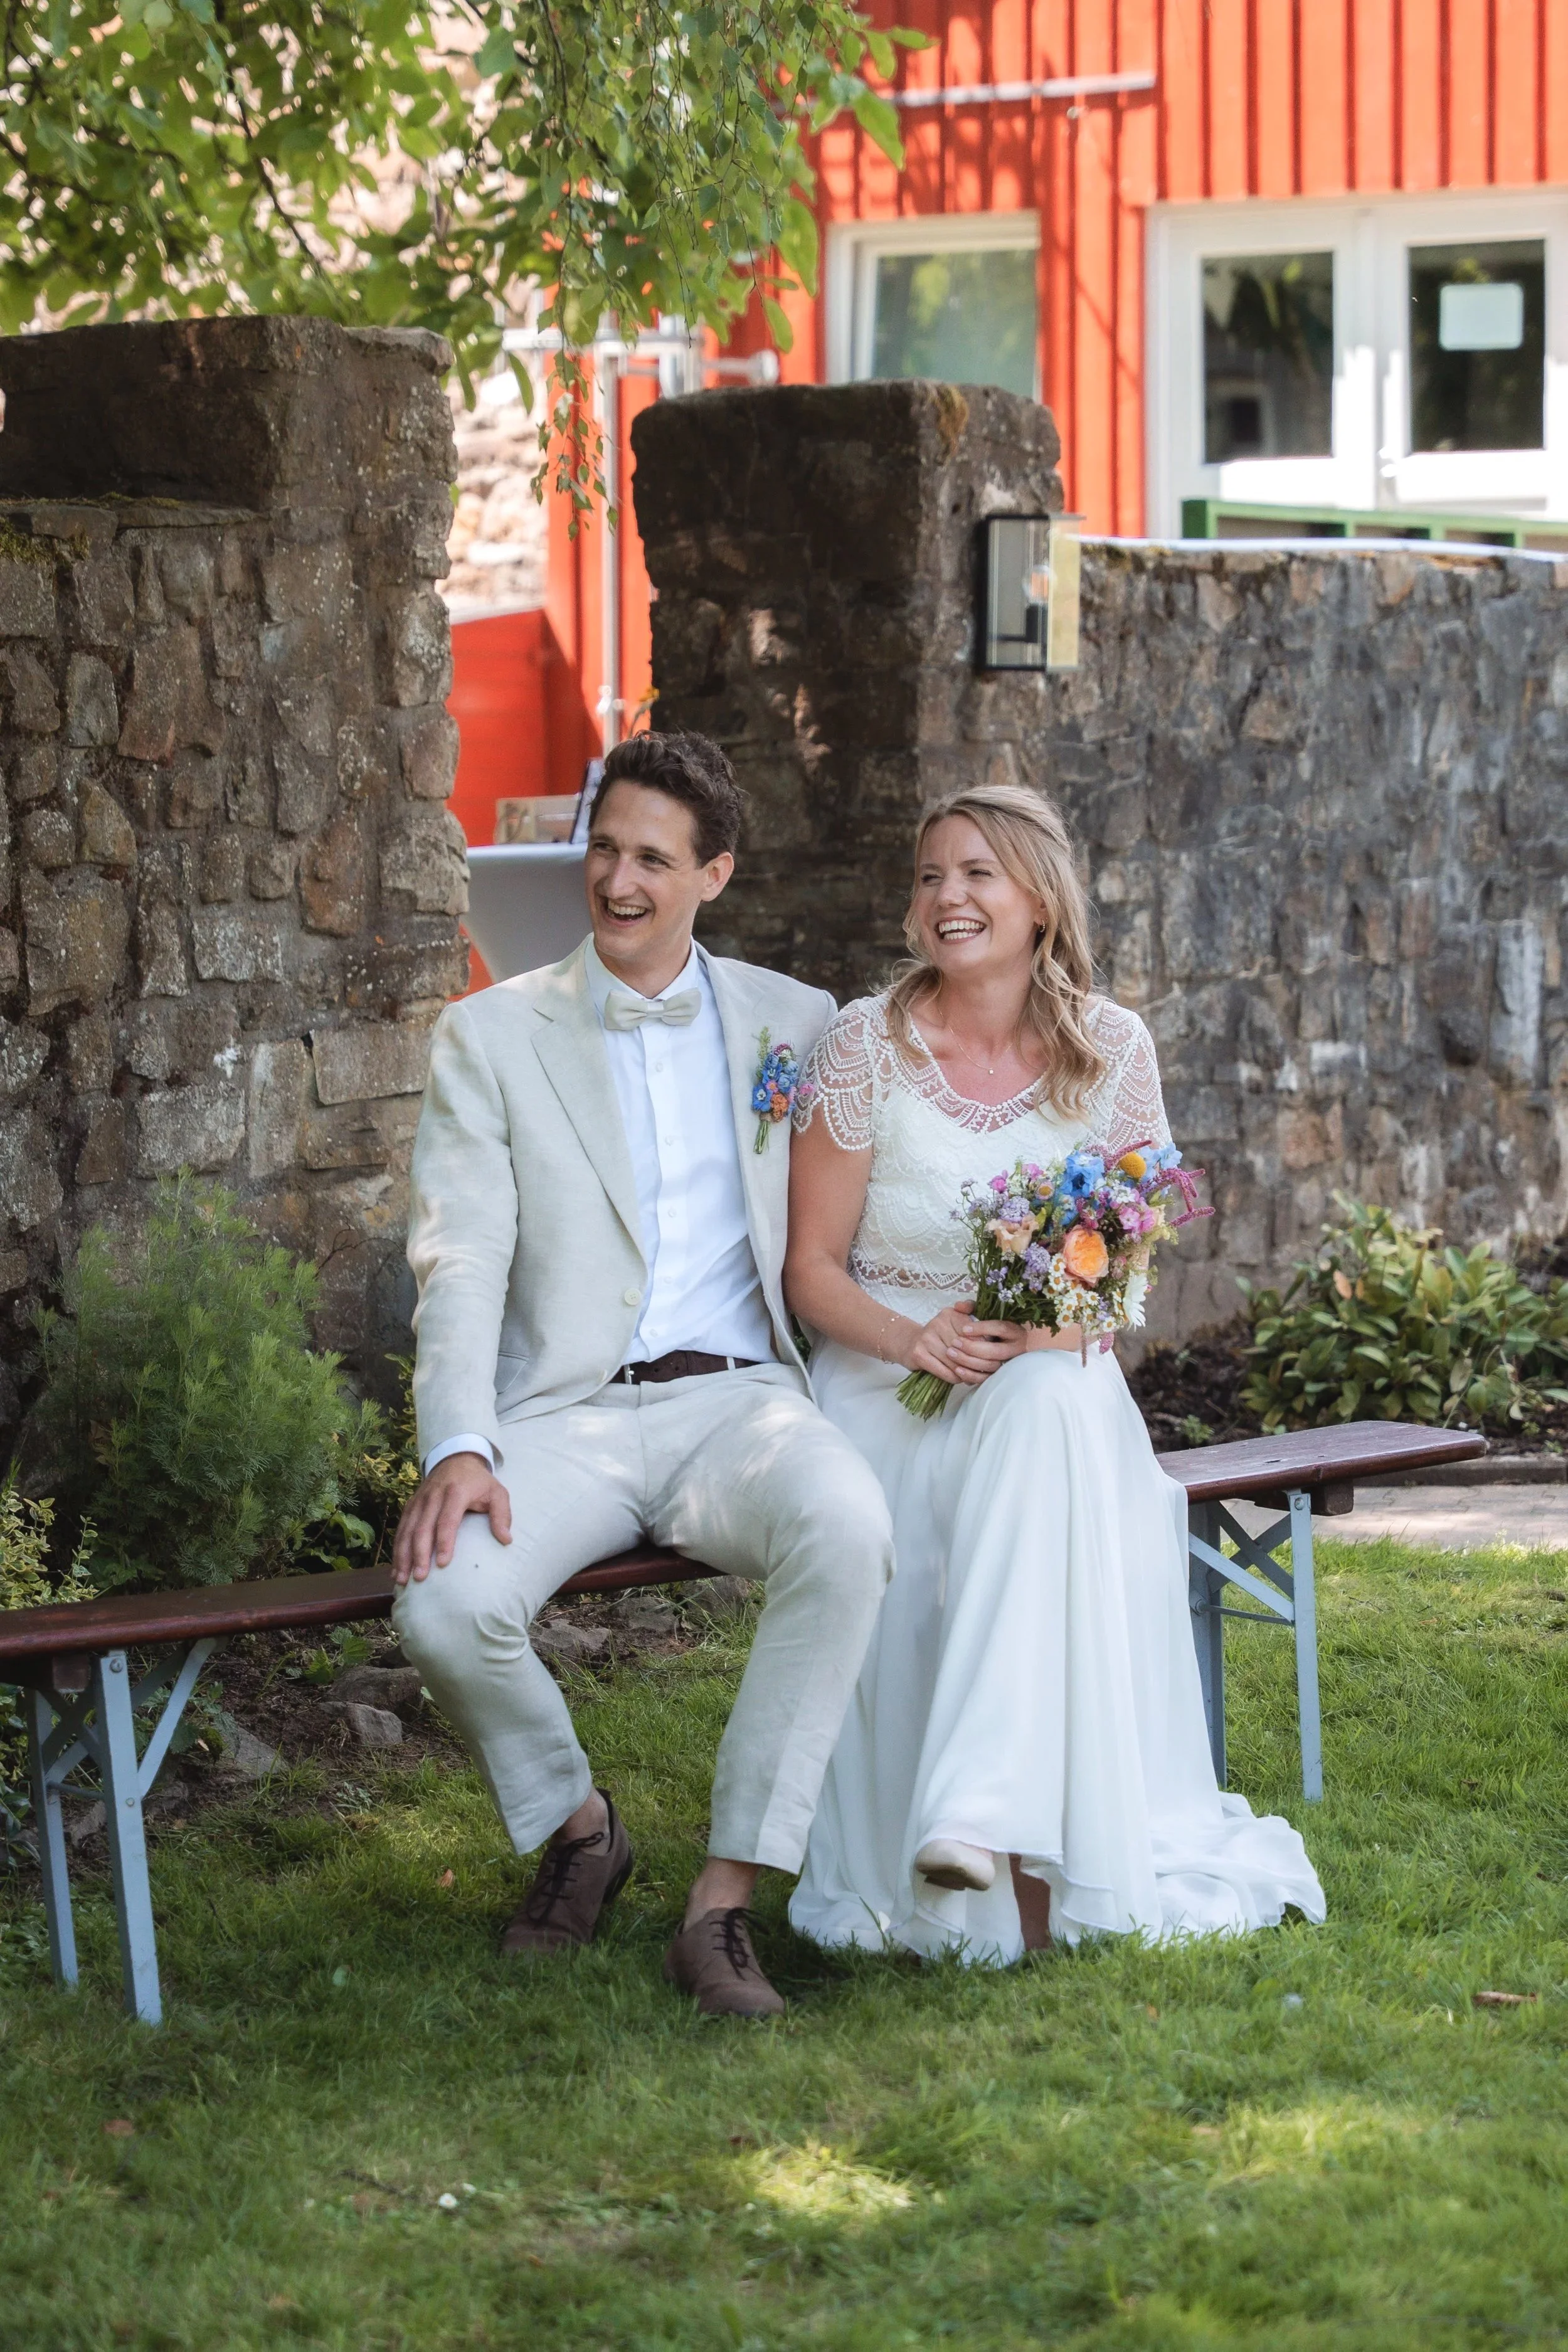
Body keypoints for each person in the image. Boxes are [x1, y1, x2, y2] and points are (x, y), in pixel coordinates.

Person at [391, 730, 895, 2016]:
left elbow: (867, 1209)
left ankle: (720, 1908)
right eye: (602, 849)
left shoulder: (799, 1024)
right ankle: (579, 1831)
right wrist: (458, 1442)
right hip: (562, 1414)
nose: (617, 881)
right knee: (443, 1607)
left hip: (739, 1404)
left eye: (652, 860)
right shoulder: (489, 1037)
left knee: (846, 1529)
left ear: (713, 874)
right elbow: (460, 1254)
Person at [783, 781, 1324, 1963]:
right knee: (1021, 1438)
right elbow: (811, 1272)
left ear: (1039, 899)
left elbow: (1127, 1278)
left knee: (1044, 1412)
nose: (947, 897)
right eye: (931, 875)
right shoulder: (862, 1047)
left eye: (976, 872)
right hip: (890, 1373)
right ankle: (997, 1836)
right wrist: (914, 1339)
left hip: (1049, 1361)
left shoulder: (1109, 1047)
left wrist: (1052, 1333)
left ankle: (983, 1818)